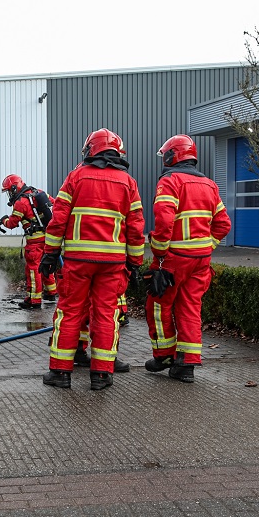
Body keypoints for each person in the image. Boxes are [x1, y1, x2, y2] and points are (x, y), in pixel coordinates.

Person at [39, 128, 146, 391]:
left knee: (70, 312)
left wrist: (50, 253)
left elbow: (59, 219)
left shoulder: (76, 177)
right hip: (112, 264)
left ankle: (61, 373)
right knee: (106, 315)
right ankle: (101, 375)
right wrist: (135, 262)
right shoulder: (128, 182)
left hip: (78, 262)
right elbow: (135, 227)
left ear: (91, 150)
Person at [143, 134, 231, 383]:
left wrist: (159, 252)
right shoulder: (210, 185)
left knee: (158, 305)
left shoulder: (170, 182)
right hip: (201, 260)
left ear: (173, 156)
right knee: (190, 307)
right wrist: (207, 247)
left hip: (173, 258)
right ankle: (187, 364)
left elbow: (163, 219)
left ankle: (164, 356)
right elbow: (223, 224)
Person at [0, 175, 58, 309]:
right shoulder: (40, 193)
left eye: (9, 191)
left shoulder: (21, 202)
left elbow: (12, 223)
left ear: (14, 188)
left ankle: (34, 300)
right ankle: (51, 292)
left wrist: (4, 221)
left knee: (33, 269)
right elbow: (55, 204)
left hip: (34, 242)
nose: (9, 194)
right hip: (48, 239)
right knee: (46, 265)